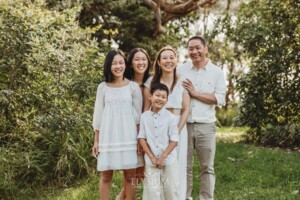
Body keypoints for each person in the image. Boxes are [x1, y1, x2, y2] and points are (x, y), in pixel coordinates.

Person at [177, 36, 226, 200]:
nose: (194, 51)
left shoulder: (216, 72)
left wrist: (195, 93)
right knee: (184, 166)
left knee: (207, 167)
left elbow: (219, 99)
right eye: (190, 48)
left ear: (206, 48)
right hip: (184, 125)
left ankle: (206, 198)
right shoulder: (181, 70)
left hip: (206, 125)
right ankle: (185, 197)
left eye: (198, 47)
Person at [92, 49, 143, 200]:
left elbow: (138, 117)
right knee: (106, 175)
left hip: (129, 135)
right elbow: (98, 115)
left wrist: (140, 139)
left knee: (130, 175)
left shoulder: (133, 87)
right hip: (108, 135)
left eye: (121, 62)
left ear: (125, 65)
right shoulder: (103, 87)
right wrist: (96, 140)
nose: (118, 66)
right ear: (109, 66)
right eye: (114, 63)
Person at [143, 45, 190, 200]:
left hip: (178, 125)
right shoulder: (151, 81)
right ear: (158, 62)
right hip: (156, 127)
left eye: (172, 57)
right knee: (156, 163)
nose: (168, 60)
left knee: (176, 164)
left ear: (176, 60)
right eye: (165, 58)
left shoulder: (183, 81)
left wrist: (176, 130)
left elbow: (186, 109)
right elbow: (145, 110)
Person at [117, 47, 152, 200]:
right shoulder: (125, 83)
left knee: (142, 173)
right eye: (137, 59)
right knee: (130, 172)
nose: (141, 62)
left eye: (143, 59)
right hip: (129, 131)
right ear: (130, 63)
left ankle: (121, 197)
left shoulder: (153, 81)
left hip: (149, 131)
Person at [138, 83, 179, 200]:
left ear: (167, 100)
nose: (160, 99)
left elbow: (174, 140)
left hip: (169, 160)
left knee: (171, 190)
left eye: (163, 97)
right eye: (157, 95)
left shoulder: (170, 117)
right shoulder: (144, 117)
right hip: (151, 161)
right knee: (152, 192)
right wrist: (151, 157)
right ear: (150, 96)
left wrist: (163, 158)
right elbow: (141, 138)